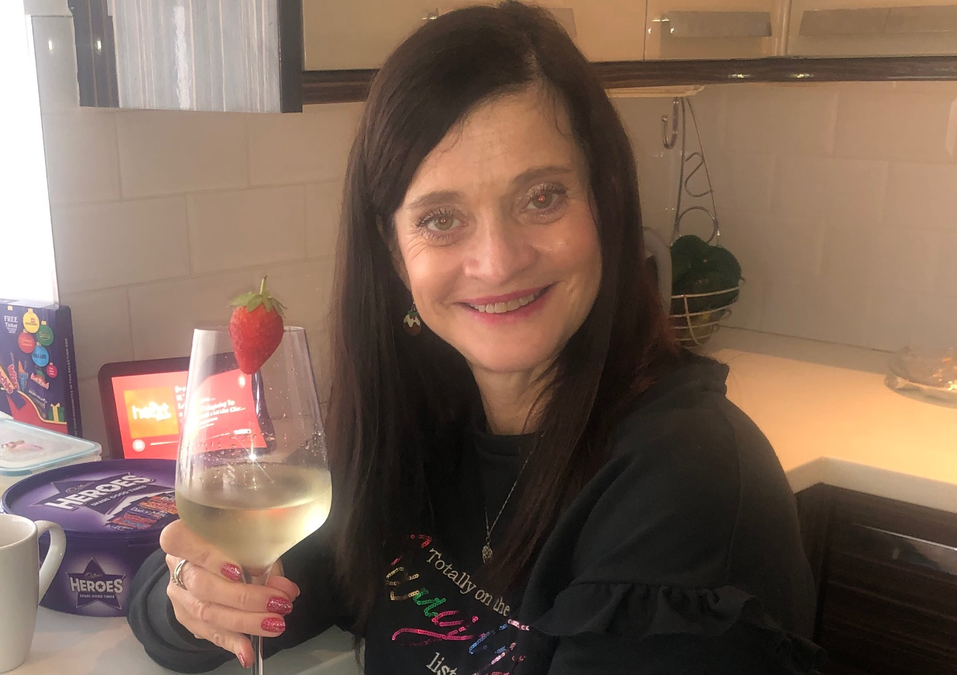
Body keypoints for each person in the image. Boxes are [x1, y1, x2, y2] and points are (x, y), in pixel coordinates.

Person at [127, 3, 825, 673]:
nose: (497, 261)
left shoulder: (687, 486)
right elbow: (202, 608)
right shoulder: (422, 425)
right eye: (440, 218)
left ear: (605, 202)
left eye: (542, 197)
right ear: (394, 253)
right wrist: (195, 592)